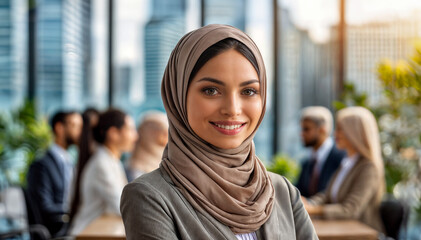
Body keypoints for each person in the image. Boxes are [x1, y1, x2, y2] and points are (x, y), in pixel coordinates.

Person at [120, 24, 317, 240]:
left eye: (249, 91)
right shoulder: (150, 196)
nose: (232, 109)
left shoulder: (282, 192)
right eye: (211, 90)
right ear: (177, 96)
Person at [303, 106, 385, 232]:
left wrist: (314, 209)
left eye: (340, 129)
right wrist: (308, 203)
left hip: (361, 234)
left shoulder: (368, 168)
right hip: (340, 229)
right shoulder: (347, 163)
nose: (335, 134)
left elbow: (350, 210)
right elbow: (327, 196)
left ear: (355, 132)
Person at [69, 109, 138, 235]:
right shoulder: (102, 164)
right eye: (131, 129)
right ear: (113, 133)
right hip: (87, 234)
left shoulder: (111, 160)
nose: (135, 136)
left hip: (100, 231)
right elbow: (121, 207)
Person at [27, 111, 83, 237]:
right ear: (59, 128)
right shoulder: (41, 166)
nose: (80, 132)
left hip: (70, 226)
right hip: (56, 231)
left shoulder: (70, 162)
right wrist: (74, 210)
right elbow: (44, 207)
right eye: (75, 126)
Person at [296, 106, 345, 197]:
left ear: (322, 129)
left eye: (306, 129)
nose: (301, 134)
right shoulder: (307, 162)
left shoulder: (342, 158)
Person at [125, 111, 169, 182]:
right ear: (152, 134)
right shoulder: (135, 171)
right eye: (165, 134)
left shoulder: (162, 160)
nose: (168, 138)